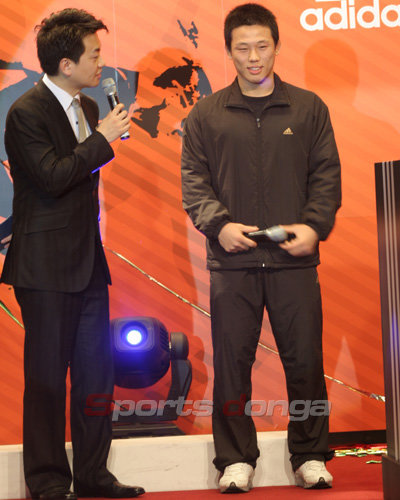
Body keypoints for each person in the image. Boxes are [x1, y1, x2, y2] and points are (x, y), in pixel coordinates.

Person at [181, 3, 341, 494]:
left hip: (294, 261)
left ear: (276, 46)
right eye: (243, 48)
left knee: (306, 363)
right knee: (232, 365)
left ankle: (310, 456)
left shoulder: (308, 108)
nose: (253, 57)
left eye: (262, 46)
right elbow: (194, 182)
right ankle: (235, 461)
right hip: (233, 262)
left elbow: (326, 176)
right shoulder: (206, 113)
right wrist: (219, 225)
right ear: (228, 51)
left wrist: (313, 227)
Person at [0, 9, 145, 500]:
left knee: (95, 378)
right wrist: (103, 139)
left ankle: (93, 475)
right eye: (94, 55)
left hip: (87, 265)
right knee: (46, 381)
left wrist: (99, 135)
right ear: (66, 63)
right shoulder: (27, 112)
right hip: (44, 268)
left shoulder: (85, 105)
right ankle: (46, 481)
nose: (102, 64)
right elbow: (53, 177)